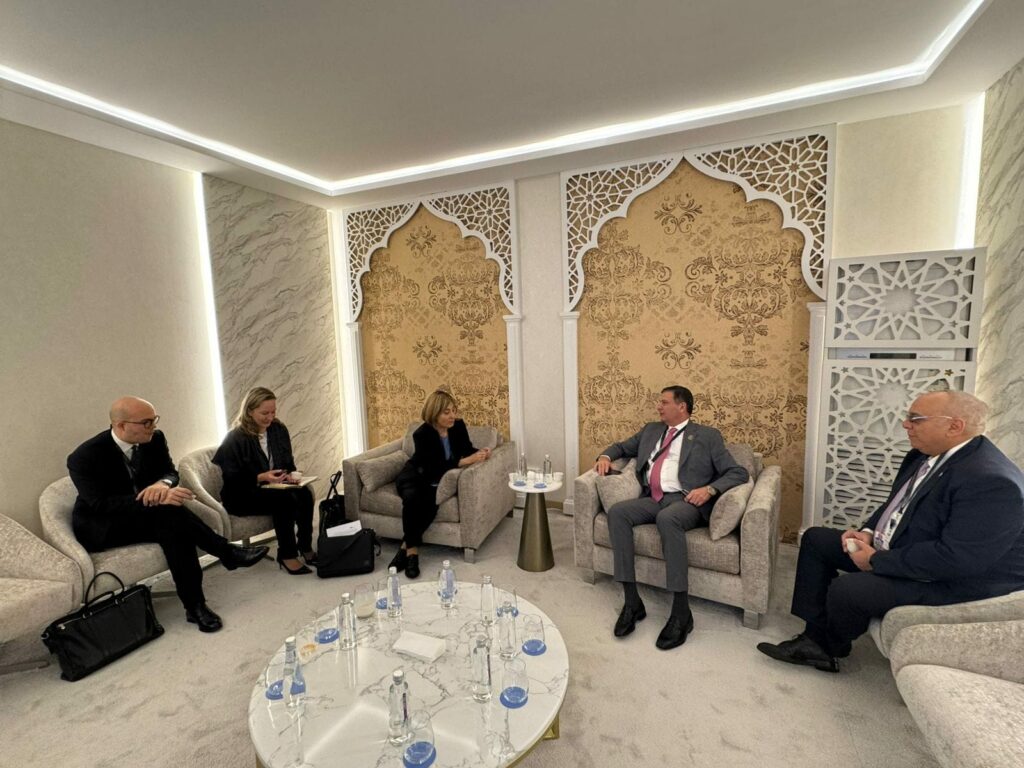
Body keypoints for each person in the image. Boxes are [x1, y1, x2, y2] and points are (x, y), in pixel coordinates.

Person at [758, 390, 1024, 673]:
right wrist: (868, 532)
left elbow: (958, 559)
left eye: (916, 419)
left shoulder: (991, 481)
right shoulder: (924, 455)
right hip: (909, 548)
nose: (906, 425)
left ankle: (830, 645)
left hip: (951, 580)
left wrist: (875, 560)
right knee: (815, 539)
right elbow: (898, 503)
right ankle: (815, 635)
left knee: (849, 590)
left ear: (954, 426)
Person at [68, 396, 269, 633]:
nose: (153, 426)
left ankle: (196, 605)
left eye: (154, 420)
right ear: (121, 425)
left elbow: (170, 472)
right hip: (105, 524)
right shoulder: (84, 456)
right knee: (168, 514)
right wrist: (154, 498)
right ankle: (223, 558)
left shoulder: (155, 439)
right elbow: (100, 504)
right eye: (146, 422)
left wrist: (162, 485)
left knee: (174, 528)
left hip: (147, 515)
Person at [595, 385, 749, 650]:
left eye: (664, 402)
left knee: (668, 519)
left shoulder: (707, 436)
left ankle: (681, 612)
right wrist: (605, 456)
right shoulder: (651, 430)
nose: (659, 406)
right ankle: (632, 602)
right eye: (660, 402)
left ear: (682, 407)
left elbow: (738, 472)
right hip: (652, 498)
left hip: (685, 501)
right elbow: (621, 447)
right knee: (618, 512)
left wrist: (709, 489)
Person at [213, 387, 316, 575]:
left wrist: (289, 476)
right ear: (250, 411)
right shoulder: (235, 438)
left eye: (273, 412)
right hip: (241, 494)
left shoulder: (278, 430)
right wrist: (261, 477)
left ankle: (305, 546)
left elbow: (288, 463)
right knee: (283, 500)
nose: (270, 417)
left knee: (305, 493)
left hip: (272, 487)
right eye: (264, 413)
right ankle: (287, 555)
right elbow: (231, 478)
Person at [390, 390, 491, 579]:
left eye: (453, 410)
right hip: (416, 476)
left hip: (435, 481)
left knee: (431, 505)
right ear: (434, 413)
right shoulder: (422, 434)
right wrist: (464, 461)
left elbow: (467, 448)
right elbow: (432, 467)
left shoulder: (458, 426)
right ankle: (412, 553)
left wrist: (482, 452)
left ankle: (405, 546)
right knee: (412, 499)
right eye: (446, 412)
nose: (452, 416)